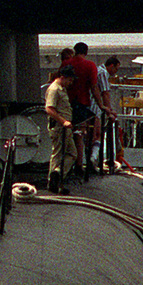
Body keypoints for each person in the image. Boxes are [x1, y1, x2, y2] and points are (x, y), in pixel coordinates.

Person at [66, 41, 101, 179]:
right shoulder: (90, 65)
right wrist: (101, 105)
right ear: (86, 52)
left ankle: (65, 166)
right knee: (79, 135)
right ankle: (79, 166)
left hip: (66, 104)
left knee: (66, 135)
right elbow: (94, 87)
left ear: (75, 51)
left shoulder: (67, 64)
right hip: (81, 104)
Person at [44, 60, 77, 193]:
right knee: (57, 154)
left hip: (65, 128)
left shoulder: (61, 89)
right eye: (69, 80)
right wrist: (63, 121)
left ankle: (57, 175)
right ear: (62, 77)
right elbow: (49, 109)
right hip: (59, 127)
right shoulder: (54, 89)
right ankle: (53, 182)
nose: (71, 83)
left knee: (72, 154)